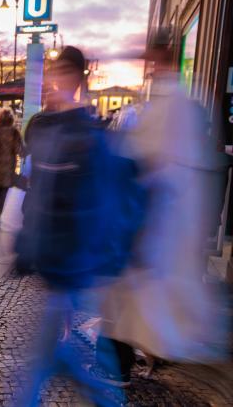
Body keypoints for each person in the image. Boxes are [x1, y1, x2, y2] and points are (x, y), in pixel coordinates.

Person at [97, 29, 229, 385]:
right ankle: (147, 354)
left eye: (152, 57)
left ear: (161, 56)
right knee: (153, 295)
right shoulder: (185, 104)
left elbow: (143, 163)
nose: (150, 65)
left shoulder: (168, 106)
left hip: (153, 219)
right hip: (170, 220)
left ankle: (121, 366)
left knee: (131, 296)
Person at [15, 46, 131, 406]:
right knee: (57, 356)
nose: (54, 80)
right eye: (53, 72)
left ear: (78, 79)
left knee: (40, 364)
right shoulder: (52, 128)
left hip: (71, 262)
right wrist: (26, 243)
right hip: (56, 260)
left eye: (63, 72)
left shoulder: (86, 135)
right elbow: (38, 191)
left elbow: (89, 204)